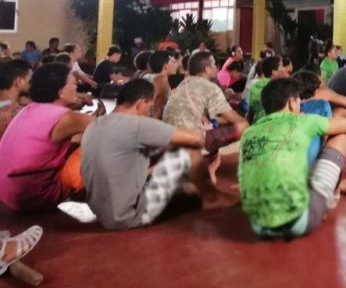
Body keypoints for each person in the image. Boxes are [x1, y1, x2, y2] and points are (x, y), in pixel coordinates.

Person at [80, 79, 233, 230]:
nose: (149, 111)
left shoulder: (95, 125)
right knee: (189, 156)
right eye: (149, 106)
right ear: (140, 103)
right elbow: (196, 139)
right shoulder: (136, 125)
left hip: (102, 214)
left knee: (168, 156)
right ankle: (213, 198)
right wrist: (233, 131)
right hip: (129, 216)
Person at [240, 78, 346, 239]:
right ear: (292, 103)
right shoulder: (304, 120)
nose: (300, 105)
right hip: (298, 222)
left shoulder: (248, 133)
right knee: (340, 137)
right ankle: (332, 196)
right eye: (299, 101)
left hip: (258, 224)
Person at [0, 63, 97, 212]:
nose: (76, 86)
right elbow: (110, 127)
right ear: (61, 92)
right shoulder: (66, 118)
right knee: (98, 143)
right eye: (73, 83)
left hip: (7, 193)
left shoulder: (28, 109)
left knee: (79, 138)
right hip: (34, 196)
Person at [163, 51, 248, 155]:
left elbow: (213, 117)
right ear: (207, 69)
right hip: (193, 140)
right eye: (214, 64)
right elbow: (237, 120)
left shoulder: (183, 84)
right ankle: (218, 157)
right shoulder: (210, 87)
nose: (217, 67)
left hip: (172, 140)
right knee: (243, 125)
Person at [248, 56, 289, 123]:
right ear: (274, 72)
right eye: (282, 66)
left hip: (257, 123)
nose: (285, 68)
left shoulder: (255, 86)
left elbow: (251, 111)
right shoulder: (278, 87)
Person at [0, 59, 32, 139]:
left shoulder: (18, 105)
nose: (33, 83)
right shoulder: (6, 113)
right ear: (19, 82)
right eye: (30, 80)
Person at [146, 51, 179, 119]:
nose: (176, 65)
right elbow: (152, 102)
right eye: (173, 62)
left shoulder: (148, 76)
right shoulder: (162, 79)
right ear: (165, 66)